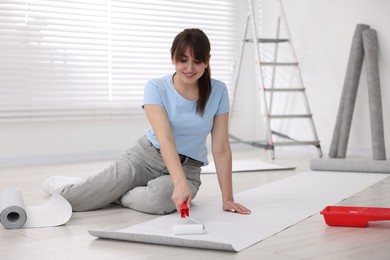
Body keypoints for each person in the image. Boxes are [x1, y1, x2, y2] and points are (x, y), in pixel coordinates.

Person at [43, 28, 251, 216]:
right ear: (173, 58)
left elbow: (221, 147)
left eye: (197, 61)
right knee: (72, 201)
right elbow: (165, 138)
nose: (190, 67)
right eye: (183, 60)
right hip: (145, 158)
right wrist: (179, 184)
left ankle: (113, 193)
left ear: (207, 60)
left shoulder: (219, 91)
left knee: (159, 201)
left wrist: (228, 199)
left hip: (188, 169)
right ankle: (70, 186)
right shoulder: (156, 87)